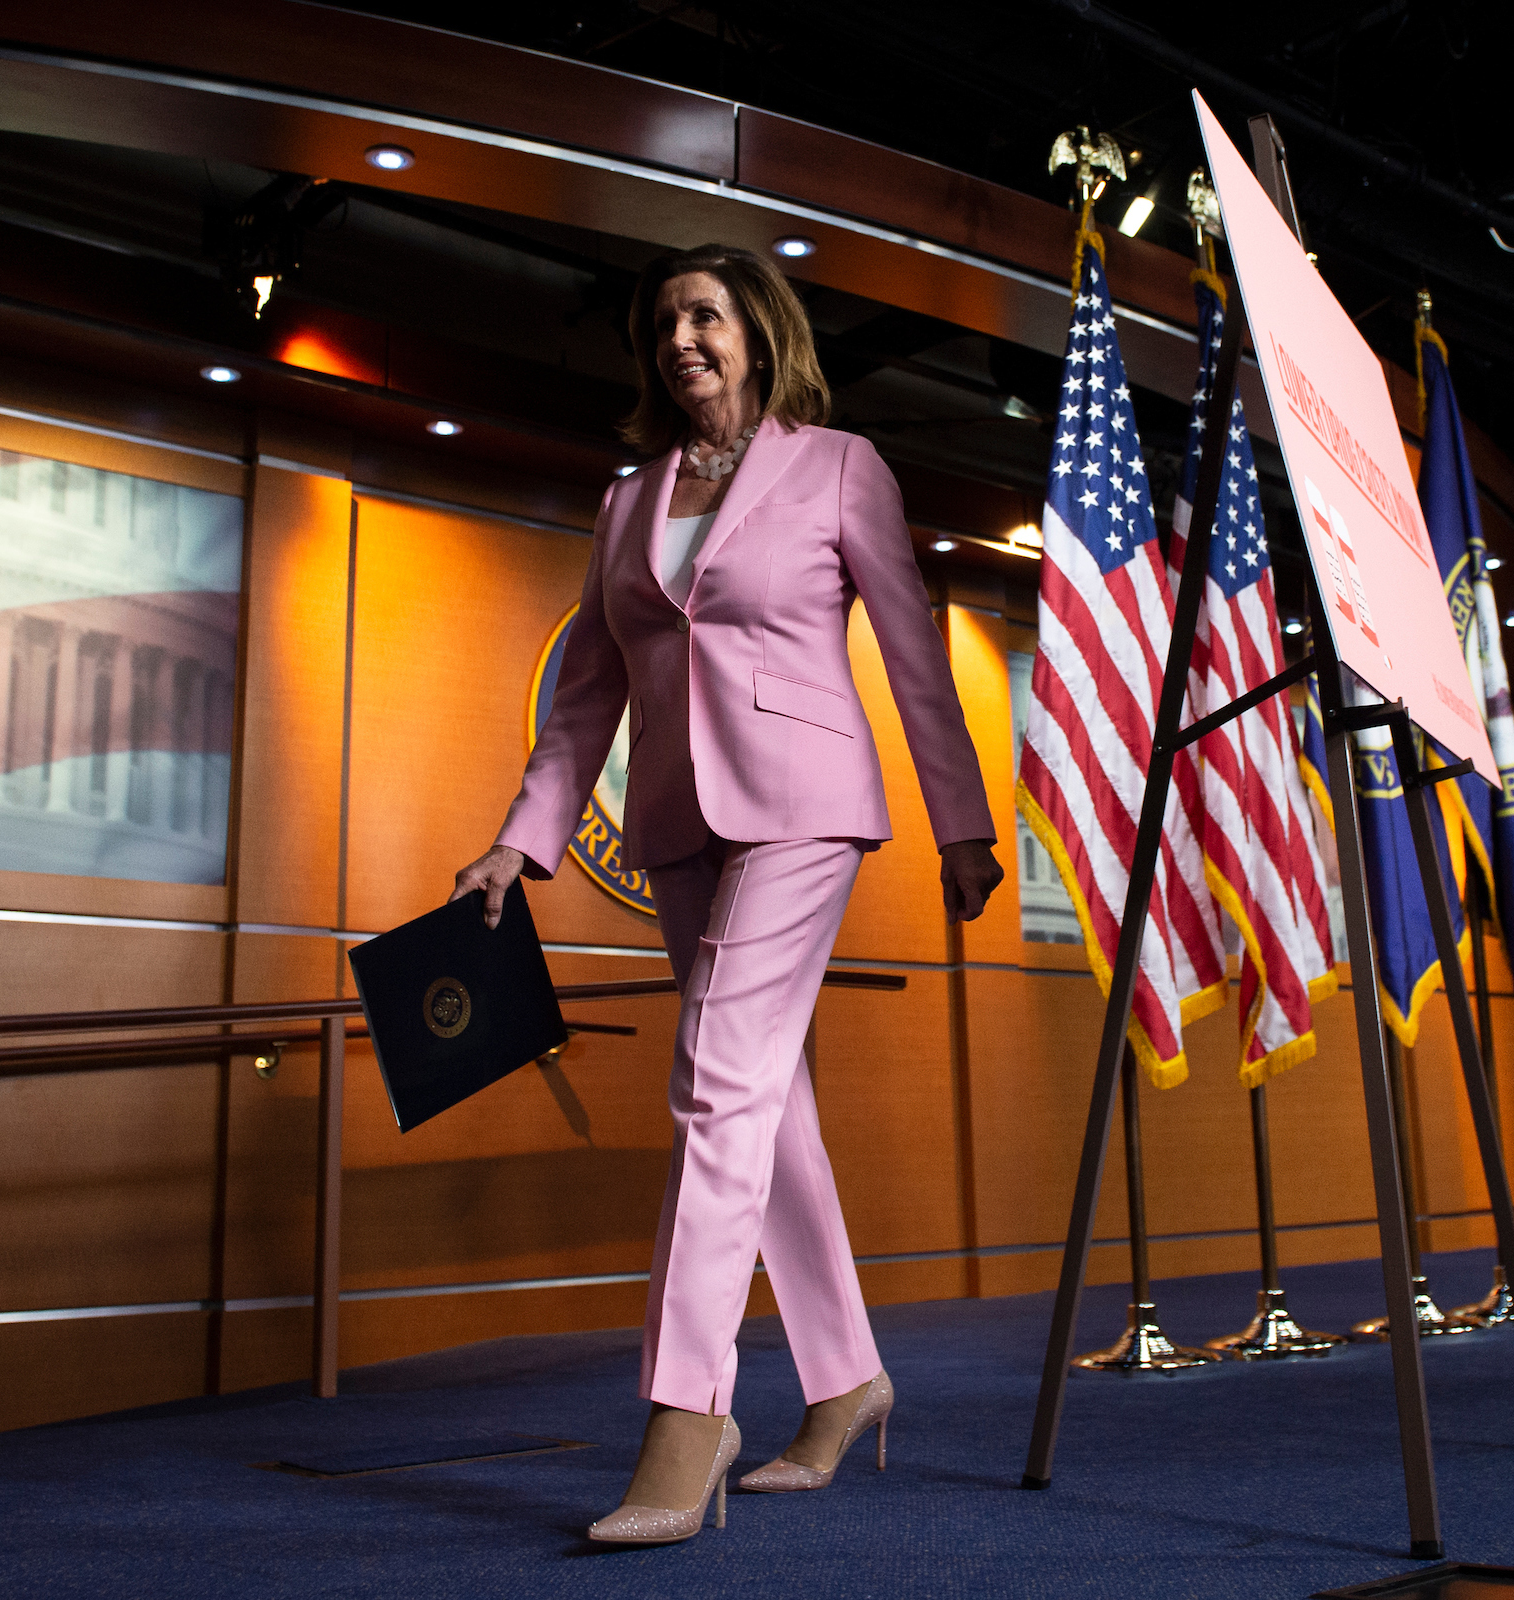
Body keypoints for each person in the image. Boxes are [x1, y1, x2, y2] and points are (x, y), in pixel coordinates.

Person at [452, 243, 1001, 1545]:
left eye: (705, 314)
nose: (682, 338)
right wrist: (520, 843)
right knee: (769, 1098)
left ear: (760, 331)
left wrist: (962, 825)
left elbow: (916, 657)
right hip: (679, 821)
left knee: (714, 1081)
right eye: (663, 323)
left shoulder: (837, 467)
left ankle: (688, 1410)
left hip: (808, 804)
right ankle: (847, 1379)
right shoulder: (627, 497)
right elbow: (588, 691)